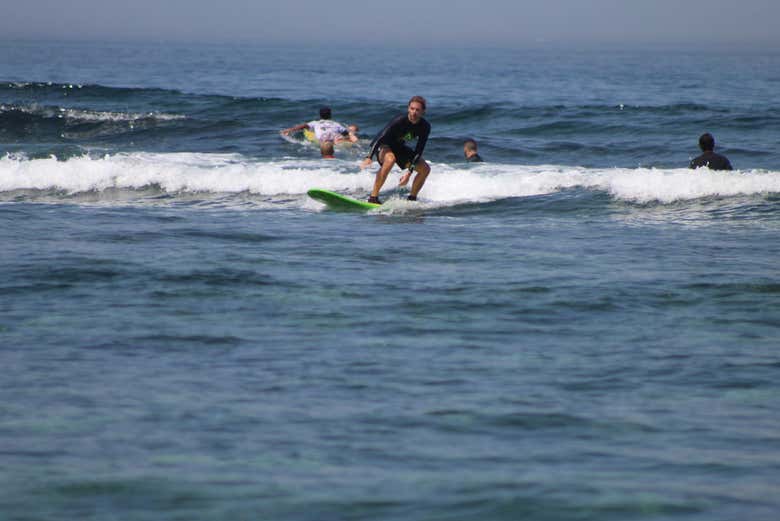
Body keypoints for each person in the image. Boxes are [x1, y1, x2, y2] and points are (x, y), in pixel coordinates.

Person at [360, 96, 431, 203]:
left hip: (399, 148)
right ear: (408, 109)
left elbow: (419, 150)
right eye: (412, 109)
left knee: (425, 168)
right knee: (390, 159)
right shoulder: (399, 120)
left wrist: (409, 173)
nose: (414, 112)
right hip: (384, 146)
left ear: (423, 112)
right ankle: (373, 197)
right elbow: (379, 137)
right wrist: (369, 157)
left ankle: (412, 199)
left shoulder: (425, 126)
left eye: (417, 110)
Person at [281, 106, 356, 144]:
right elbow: (346, 133)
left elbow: (303, 126)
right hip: (334, 140)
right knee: (348, 134)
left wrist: (289, 130)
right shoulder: (336, 124)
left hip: (321, 140)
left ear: (320, 115)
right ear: (330, 115)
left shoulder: (315, 123)